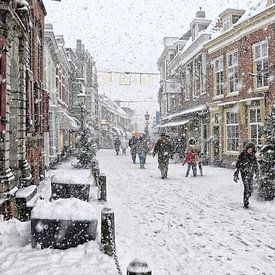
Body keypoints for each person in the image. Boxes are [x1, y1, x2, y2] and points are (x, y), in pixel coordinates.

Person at [233, 142, 259, 209]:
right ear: (246, 149)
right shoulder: (242, 155)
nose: (250, 150)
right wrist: (236, 175)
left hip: (251, 174)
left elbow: (255, 165)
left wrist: (257, 173)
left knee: (250, 190)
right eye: (249, 149)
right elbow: (237, 165)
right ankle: (246, 203)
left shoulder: (253, 156)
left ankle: (247, 197)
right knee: (246, 188)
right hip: (244, 174)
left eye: (251, 149)